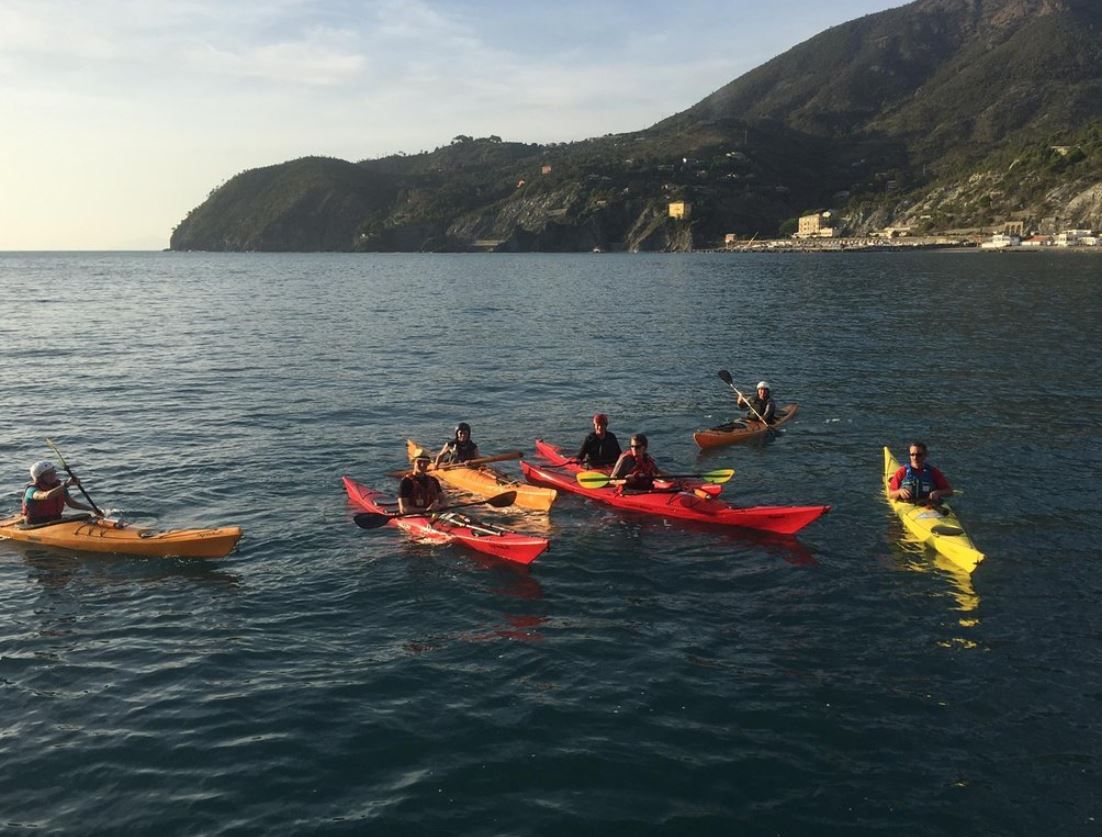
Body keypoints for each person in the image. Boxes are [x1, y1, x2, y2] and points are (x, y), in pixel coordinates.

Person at [22, 460, 93, 524]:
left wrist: (92, 509)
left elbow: (71, 503)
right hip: (36, 524)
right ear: (39, 477)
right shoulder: (31, 490)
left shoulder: (58, 487)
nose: (53, 475)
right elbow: (45, 496)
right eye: (48, 474)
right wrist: (66, 484)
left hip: (56, 521)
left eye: (53, 472)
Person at [888, 442, 954, 504]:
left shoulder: (933, 472)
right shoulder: (902, 471)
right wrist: (899, 492)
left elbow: (949, 491)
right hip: (908, 503)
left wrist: (938, 493)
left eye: (918, 455)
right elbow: (890, 494)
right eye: (912, 454)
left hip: (928, 504)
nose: (915, 457)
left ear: (925, 455)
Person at [398, 449, 444, 515]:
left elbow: (444, 499)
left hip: (433, 514)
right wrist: (426, 510)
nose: (422, 464)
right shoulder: (406, 482)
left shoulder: (433, 480)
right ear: (413, 462)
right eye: (419, 461)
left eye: (425, 462)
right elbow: (404, 509)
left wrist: (441, 506)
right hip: (415, 516)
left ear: (428, 464)